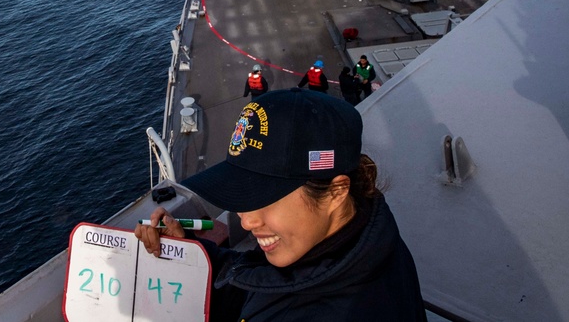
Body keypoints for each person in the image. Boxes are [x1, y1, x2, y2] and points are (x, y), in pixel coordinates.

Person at [135, 89, 427, 322]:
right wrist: (189, 255)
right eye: (244, 196)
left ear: (336, 192)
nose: (247, 221)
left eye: (265, 198)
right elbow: (264, 286)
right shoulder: (362, 237)